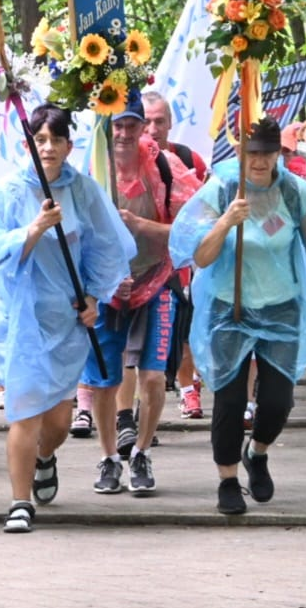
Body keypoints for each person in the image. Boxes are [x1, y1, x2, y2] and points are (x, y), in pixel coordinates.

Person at [168, 116, 306, 515]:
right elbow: (200, 257)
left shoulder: (295, 192)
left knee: (278, 400)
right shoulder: (221, 190)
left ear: (279, 154)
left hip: (282, 306)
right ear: (240, 153)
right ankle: (227, 479)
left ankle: (257, 453)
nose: (259, 161)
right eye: (252, 153)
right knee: (229, 398)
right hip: (230, 308)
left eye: (267, 153)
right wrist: (226, 221)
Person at [0, 103, 134, 533]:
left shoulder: (82, 190)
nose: (47, 147)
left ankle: (46, 457)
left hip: (66, 318)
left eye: (55, 140)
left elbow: (105, 247)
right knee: (24, 410)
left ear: (68, 144)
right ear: (27, 143)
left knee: (60, 421)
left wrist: (94, 297)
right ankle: (19, 502)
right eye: (39, 140)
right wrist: (34, 229)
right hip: (21, 317)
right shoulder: (7, 192)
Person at [82, 92, 201, 497]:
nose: (124, 134)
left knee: (152, 377)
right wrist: (106, 278)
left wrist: (141, 226)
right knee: (105, 381)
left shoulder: (166, 167)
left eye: (132, 125)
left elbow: (192, 230)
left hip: (157, 281)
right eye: (117, 125)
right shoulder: (91, 170)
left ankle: (142, 452)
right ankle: (108, 457)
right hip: (107, 290)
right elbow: (77, 237)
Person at [140, 91, 207, 421]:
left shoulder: (188, 158)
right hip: (138, 265)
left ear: (170, 123)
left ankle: (188, 390)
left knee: (183, 331)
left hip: (179, 265)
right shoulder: (123, 159)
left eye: (159, 121)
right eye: (147, 122)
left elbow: (204, 210)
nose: (153, 129)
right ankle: (136, 416)